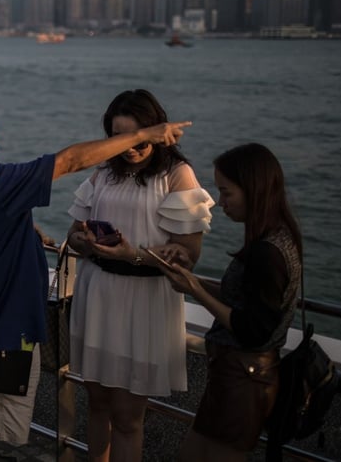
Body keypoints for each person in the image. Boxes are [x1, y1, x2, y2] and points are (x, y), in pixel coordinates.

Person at [0, 95, 190, 446]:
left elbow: (188, 254)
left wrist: (26, 227)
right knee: (2, 435)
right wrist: (145, 135)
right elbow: (70, 164)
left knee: (125, 417)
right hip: (9, 331)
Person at [65, 89, 214, 462]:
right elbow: (73, 233)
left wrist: (132, 254)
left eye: (137, 138)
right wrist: (84, 241)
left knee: (128, 417)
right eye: (119, 137)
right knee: (96, 404)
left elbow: (188, 255)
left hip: (145, 302)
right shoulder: (104, 172)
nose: (128, 147)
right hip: (97, 294)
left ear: (156, 132)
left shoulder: (176, 175)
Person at [161, 144, 302, 461]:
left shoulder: (267, 252)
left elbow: (253, 329)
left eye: (226, 193)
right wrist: (192, 279)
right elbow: (244, 298)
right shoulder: (279, 237)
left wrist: (194, 289)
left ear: (254, 190)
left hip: (243, 379)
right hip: (239, 376)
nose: (221, 202)